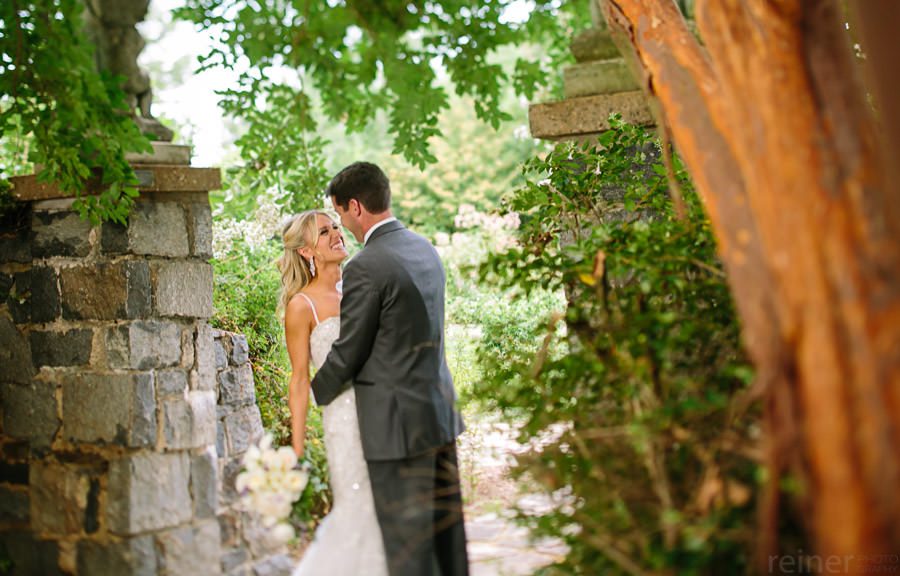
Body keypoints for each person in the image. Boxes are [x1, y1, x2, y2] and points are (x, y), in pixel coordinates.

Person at [311, 161, 469, 576]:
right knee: (449, 544)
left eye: (340, 214)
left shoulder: (366, 266)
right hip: (437, 417)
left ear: (356, 207)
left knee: (408, 551)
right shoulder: (423, 248)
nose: (342, 225)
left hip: (397, 430)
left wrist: (316, 392)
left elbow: (350, 351)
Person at [278, 210, 388, 576]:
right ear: (308, 251)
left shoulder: (360, 286)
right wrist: (296, 449)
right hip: (344, 422)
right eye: (324, 232)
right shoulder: (301, 306)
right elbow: (299, 380)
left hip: (384, 414)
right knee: (358, 509)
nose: (337, 234)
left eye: (335, 227)